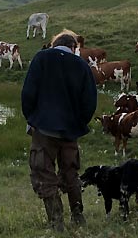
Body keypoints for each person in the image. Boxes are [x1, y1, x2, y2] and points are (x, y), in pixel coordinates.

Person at [21, 29, 98, 232]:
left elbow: (28, 92)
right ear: (74, 47)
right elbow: (90, 101)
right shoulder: (81, 65)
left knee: (44, 172)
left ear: (54, 45)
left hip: (44, 129)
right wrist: (78, 123)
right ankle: (78, 216)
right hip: (70, 130)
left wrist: (32, 118)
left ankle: (57, 223)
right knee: (71, 171)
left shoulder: (42, 58)